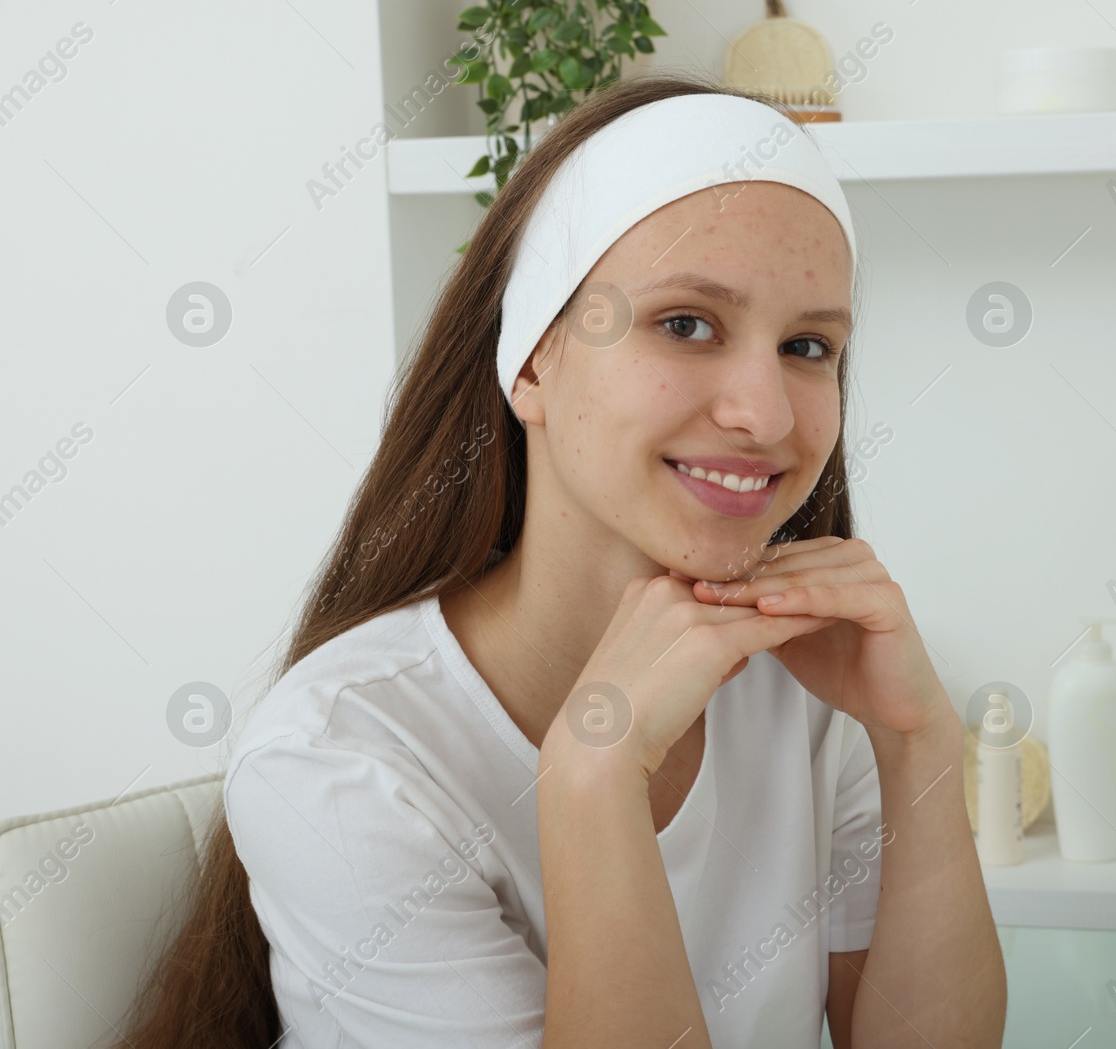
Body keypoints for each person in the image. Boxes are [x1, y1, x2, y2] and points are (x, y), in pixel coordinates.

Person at [124, 70, 1005, 1048]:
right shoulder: (342, 762)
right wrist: (591, 779)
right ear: (534, 359)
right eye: (686, 323)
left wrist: (920, 740)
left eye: (807, 345)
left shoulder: (807, 695)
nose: (765, 413)